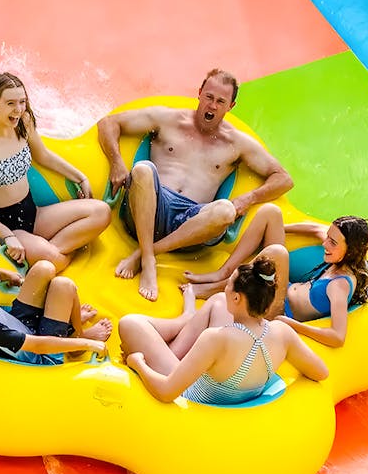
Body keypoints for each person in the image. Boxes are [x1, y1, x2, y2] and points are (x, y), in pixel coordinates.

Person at [96, 68, 292, 301]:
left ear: (231, 106)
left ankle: (144, 254)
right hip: (150, 209)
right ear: (199, 93)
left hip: (193, 223)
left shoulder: (237, 143)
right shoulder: (168, 119)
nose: (212, 106)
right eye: (209, 97)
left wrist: (247, 199)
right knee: (142, 170)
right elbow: (108, 124)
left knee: (226, 210)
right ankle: (148, 261)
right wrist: (117, 163)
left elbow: (283, 178)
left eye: (220, 101)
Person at [119, 257, 328, 405]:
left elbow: (166, 392)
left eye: (228, 285)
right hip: (231, 382)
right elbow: (321, 372)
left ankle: (186, 318)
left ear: (237, 297)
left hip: (192, 397)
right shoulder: (283, 334)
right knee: (218, 302)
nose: (225, 289)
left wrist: (137, 363)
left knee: (130, 324)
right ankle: (187, 317)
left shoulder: (216, 339)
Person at [0, 73, 112, 272]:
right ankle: (52, 253)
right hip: (6, 224)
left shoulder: (23, 123)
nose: (19, 109)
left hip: (34, 212)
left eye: (22, 102)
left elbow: (43, 156)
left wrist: (80, 177)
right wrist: (7, 235)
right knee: (53, 260)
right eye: (11, 103)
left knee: (102, 212)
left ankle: (50, 250)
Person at [183, 203, 368, 348]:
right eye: (328, 238)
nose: (325, 244)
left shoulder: (340, 286)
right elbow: (314, 229)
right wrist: (279, 229)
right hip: (282, 290)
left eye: (332, 242)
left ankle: (213, 287)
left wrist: (290, 324)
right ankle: (224, 272)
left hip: (278, 311)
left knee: (278, 252)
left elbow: (337, 337)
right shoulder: (339, 252)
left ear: (351, 250)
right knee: (271, 213)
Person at [0, 242, 112, 365]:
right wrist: (89, 344)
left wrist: (8, 275)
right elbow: (38, 346)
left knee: (43, 268)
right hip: (41, 355)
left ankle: (66, 323)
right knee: (64, 286)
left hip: (16, 322)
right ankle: (77, 337)